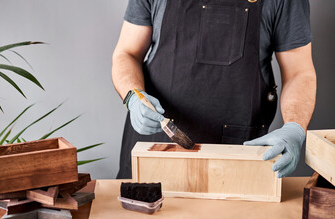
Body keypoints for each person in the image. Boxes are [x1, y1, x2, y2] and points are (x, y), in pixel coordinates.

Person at [112, 0, 316, 179]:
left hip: (236, 156)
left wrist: (294, 128)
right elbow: (127, 53)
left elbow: (299, 72)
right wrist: (134, 97)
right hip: (154, 147)